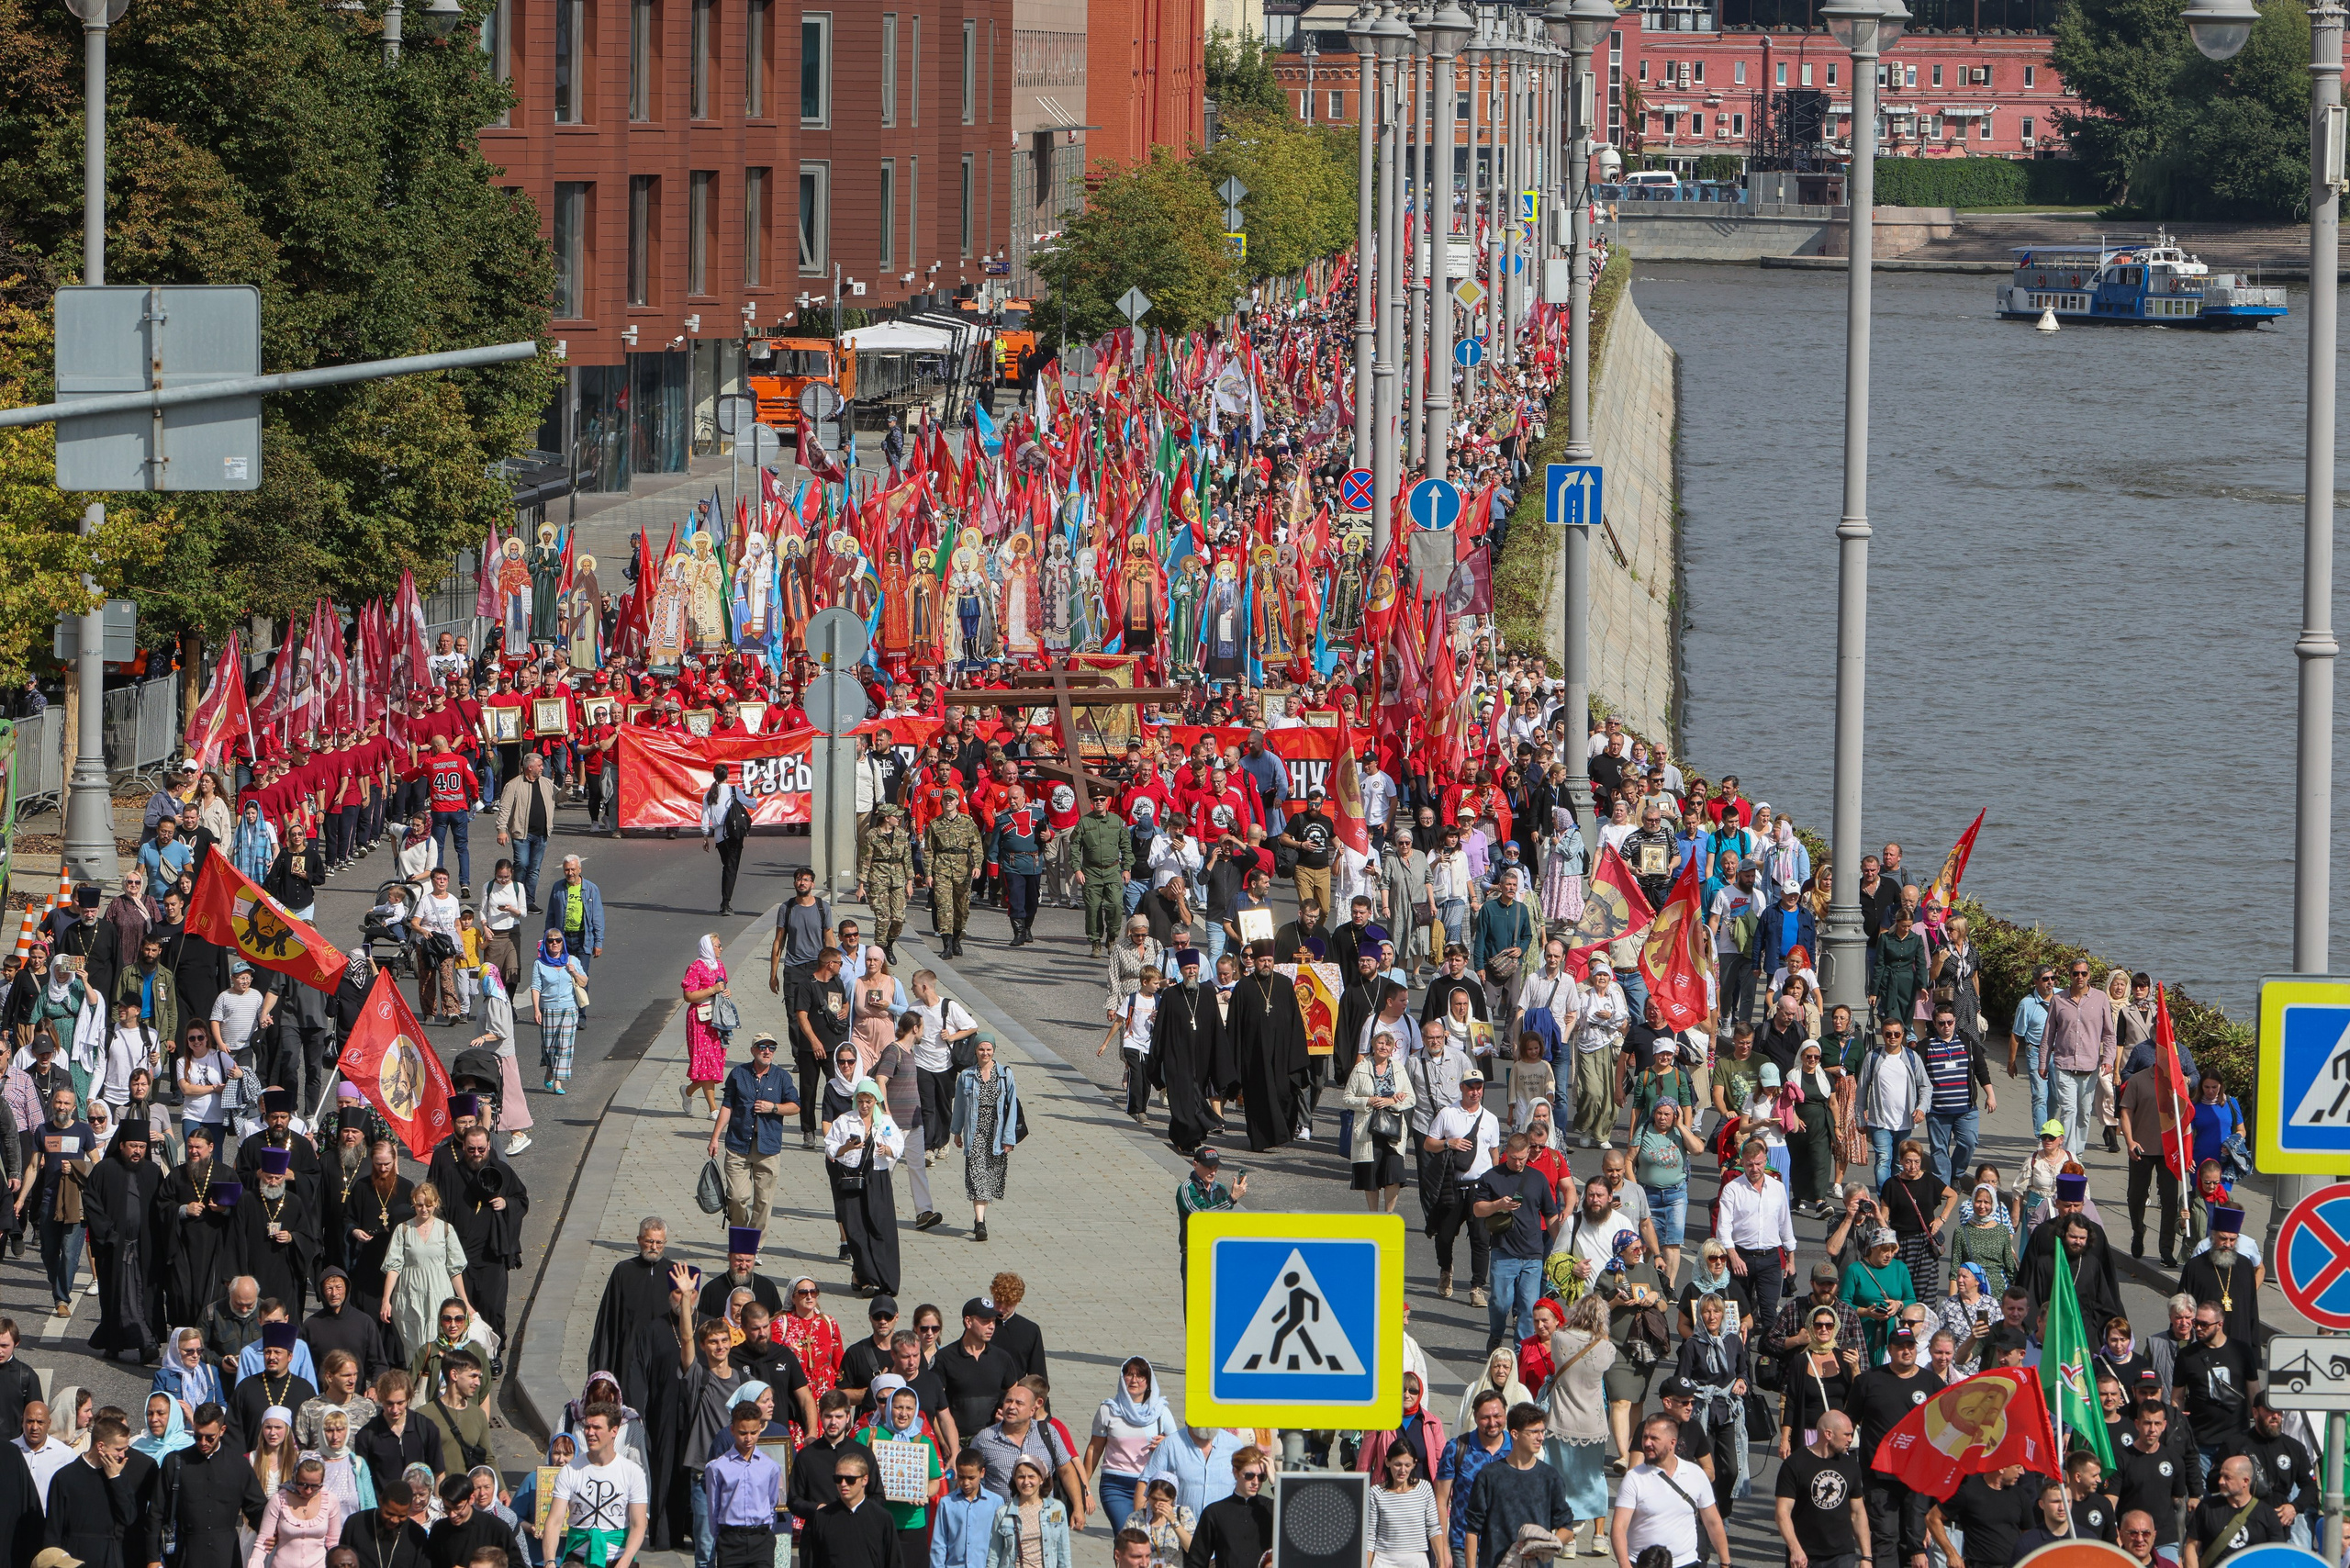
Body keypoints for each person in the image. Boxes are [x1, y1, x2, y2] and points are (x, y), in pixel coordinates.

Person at [1610, 1414, 1731, 1568]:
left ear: (1672, 1443)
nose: (1647, 1443)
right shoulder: (1634, 1478)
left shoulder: (1695, 1474)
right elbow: (1619, 1527)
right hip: (1645, 1564)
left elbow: (1713, 1522)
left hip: (1687, 1563)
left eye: (1654, 1438)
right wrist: (1625, 1565)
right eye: (1645, 1437)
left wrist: (1725, 1562)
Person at [708, 1034, 799, 1232]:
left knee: (764, 1202)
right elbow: (727, 1106)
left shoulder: (782, 1077)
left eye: (771, 1048)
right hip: (738, 1145)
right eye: (762, 1047)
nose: (767, 1051)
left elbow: (795, 1107)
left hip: (768, 1147)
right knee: (736, 1197)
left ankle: (752, 1246)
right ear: (753, 1050)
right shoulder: (738, 1074)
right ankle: (740, 1236)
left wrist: (773, 1108)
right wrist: (715, 1138)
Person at [542, 1403, 647, 1568]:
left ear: (614, 1431)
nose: (590, 1433)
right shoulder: (570, 1471)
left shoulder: (632, 1472)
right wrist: (550, 1561)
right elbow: (554, 1521)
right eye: (587, 1427)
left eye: (596, 1427)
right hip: (576, 1559)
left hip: (618, 1560)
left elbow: (639, 1524)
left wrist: (624, 1561)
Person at [826, 1080, 905, 1294]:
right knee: (855, 1229)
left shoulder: (885, 1121)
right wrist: (846, 1147)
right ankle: (867, 1277)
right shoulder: (845, 1120)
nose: (864, 1105)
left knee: (880, 1228)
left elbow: (899, 1145)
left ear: (876, 1101)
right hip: (851, 1178)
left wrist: (887, 1150)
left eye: (868, 1101)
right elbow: (830, 1147)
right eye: (860, 1101)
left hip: (877, 1178)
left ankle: (882, 1279)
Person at [1774, 1409, 1868, 1568]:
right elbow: (1782, 1512)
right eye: (1846, 1434)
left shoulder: (1850, 1465)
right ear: (1829, 1434)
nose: (1851, 1440)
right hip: (1805, 1554)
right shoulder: (1795, 1464)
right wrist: (1795, 1549)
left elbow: (1858, 1513)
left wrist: (1867, 1557)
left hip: (1842, 1554)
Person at [949, 1036, 1019, 1243]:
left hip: (996, 1134)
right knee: (977, 1176)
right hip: (975, 1133)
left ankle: (980, 1218)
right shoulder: (967, 1076)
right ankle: (980, 1222)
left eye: (988, 1049)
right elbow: (960, 1105)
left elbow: (1011, 1107)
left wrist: (1009, 1138)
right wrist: (957, 1132)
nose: (985, 1053)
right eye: (981, 1049)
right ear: (975, 1051)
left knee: (989, 1178)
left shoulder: (1005, 1075)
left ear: (994, 1051)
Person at [802, 1447, 897, 1568]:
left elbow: (893, 1561)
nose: (843, 1484)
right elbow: (812, 1561)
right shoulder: (822, 1518)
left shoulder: (882, 1519)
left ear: (865, 1480)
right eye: (838, 1479)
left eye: (850, 1479)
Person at [524, 932, 588, 1096]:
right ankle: (550, 1072)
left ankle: (558, 1081)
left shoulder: (572, 960)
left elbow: (584, 981)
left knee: (564, 1046)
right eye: (550, 941)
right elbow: (536, 987)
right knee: (550, 1047)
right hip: (548, 1009)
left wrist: (574, 972)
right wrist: (536, 1009)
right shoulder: (539, 964)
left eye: (558, 940)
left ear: (562, 943)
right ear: (546, 943)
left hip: (569, 1009)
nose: (554, 943)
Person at [1183, 1449, 1270, 1568]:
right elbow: (1196, 1560)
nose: (1256, 1482)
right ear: (1235, 1472)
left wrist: (1275, 1481)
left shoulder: (1271, 1508)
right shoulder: (1215, 1512)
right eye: (1249, 1476)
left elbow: (1296, 1519)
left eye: (1261, 1477)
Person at [680, 937, 731, 1122]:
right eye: (718, 945)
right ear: (708, 947)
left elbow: (723, 985)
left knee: (714, 1061)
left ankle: (687, 1091)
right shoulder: (695, 967)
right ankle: (713, 1109)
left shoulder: (719, 964)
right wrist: (712, 989)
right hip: (700, 1020)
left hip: (716, 1018)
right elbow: (688, 996)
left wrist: (726, 991)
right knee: (706, 1062)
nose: (721, 948)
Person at [699, 766, 754, 918]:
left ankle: (725, 902)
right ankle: (725, 903)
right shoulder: (734, 790)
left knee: (727, 866)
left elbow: (705, 818)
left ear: (715, 775)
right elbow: (751, 804)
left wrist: (705, 836)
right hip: (734, 834)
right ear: (727, 775)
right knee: (731, 868)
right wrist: (754, 796)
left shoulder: (709, 794)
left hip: (719, 837)